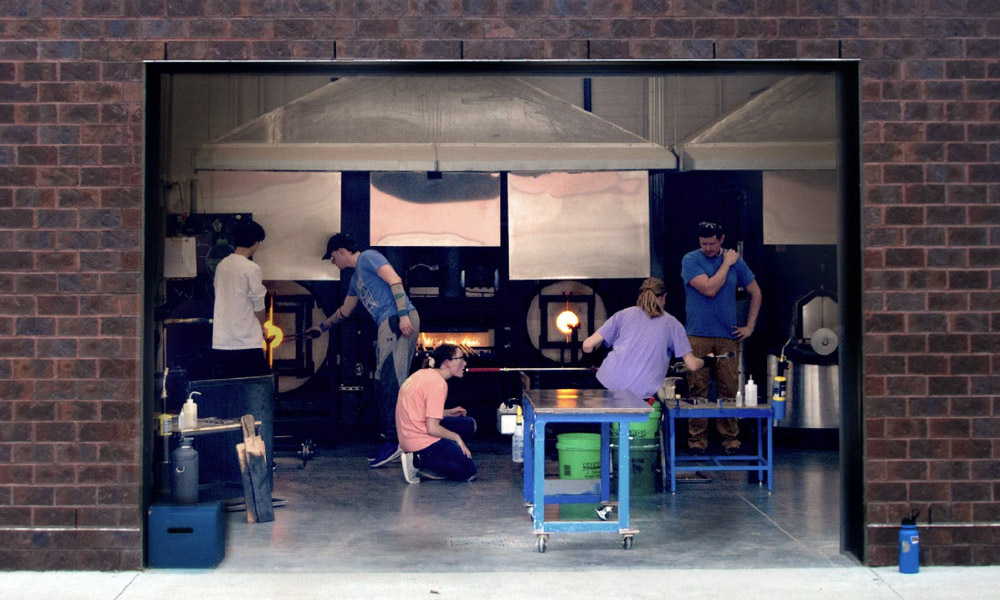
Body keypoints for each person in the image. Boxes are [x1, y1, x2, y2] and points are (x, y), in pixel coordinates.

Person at [307, 233, 420, 468]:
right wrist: (322, 327)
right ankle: (392, 438)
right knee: (381, 382)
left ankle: (397, 442)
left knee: (392, 381)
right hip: (387, 324)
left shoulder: (369, 257)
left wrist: (402, 316)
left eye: (332, 258)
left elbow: (395, 280)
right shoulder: (356, 277)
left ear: (341, 251)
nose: (333, 263)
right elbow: (345, 311)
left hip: (396, 320)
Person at [681, 221, 762, 455]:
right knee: (697, 388)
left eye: (712, 243)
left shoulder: (738, 262)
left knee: (729, 388)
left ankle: (730, 440)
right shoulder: (691, 260)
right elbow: (709, 289)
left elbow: (756, 292)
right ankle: (697, 441)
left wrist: (750, 326)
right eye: (704, 243)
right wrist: (726, 263)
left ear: (722, 239)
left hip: (728, 335)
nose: (707, 248)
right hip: (697, 334)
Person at [582, 277, 705, 400]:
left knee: (608, 417)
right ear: (664, 297)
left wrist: (593, 363)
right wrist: (708, 360)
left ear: (640, 295)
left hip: (608, 383)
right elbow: (692, 365)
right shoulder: (673, 324)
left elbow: (587, 344)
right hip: (641, 393)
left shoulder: (623, 314)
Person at [396, 343, 477, 484]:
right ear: (447, 363)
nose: (464, 363)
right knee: (468, 471)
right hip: (419, 438)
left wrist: (448, 413)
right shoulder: (438, 384)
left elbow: (420, 411)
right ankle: (419, 460)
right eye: (460, 359)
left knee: (469, 424)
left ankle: (434, 458)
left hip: (408, 433)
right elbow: (432, 428)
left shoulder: (423, 373)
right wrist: (457, 438)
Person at [212, 219, 272, 379]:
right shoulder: (251, 268)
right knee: (253, 390)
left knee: (230, 392)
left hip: (222, 340)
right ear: (255, 243)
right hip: (246, 341)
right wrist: (263, 325)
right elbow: (258, 303)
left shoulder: (222, 266)